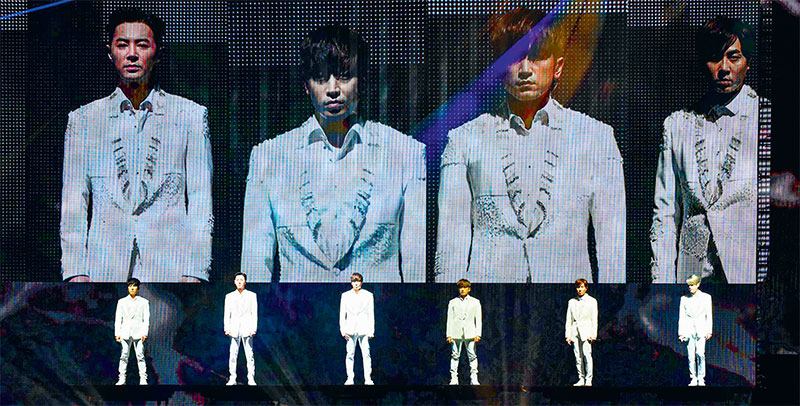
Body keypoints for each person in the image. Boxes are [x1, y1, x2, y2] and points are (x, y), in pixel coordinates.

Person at [435, 7, 625, 283]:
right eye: (513, 58)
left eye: (537, 57)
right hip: (490, 298)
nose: (525, 70)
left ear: (558, 67)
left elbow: (612, 250)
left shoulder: (596, 138)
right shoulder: (465, 140)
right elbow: (450, 249)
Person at [241, 25, 426, 282]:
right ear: (306, 85)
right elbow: (254, 268)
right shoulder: (268, 158)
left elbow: (416, 267)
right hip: (297, 307)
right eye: (320, 78)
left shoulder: (405, 153)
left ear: (362, 80)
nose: (333, 89)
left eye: (344, 76)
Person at [59, 7, 213, 283]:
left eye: (141, 45)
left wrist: (196, 272)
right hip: (103, 268)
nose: (132, 54)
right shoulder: (84, 120)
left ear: (157, 52)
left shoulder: (190, 116)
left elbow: (201, 199)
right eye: (122, 45)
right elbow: (74, 200)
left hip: (170, 268)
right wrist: (75, 272)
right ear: (110, 53)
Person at [651, 16, 761, 284]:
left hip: (747, 276)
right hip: (692, 275)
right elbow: (665, 214)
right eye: (714, 58)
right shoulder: (677, 124)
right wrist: (663, 282)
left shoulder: (765, 117)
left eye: (733, 57)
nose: (724, 68)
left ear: (747, 62)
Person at [339, 273, 375, 385]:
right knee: (350, 354)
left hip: (364, 328)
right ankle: (350, 378)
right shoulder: (345, 295)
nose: (356, 284)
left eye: (358, 281)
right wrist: (343, 330)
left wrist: (371, 330)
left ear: (361, 282)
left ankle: (368, 378)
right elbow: (342, 314)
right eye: (354, 281)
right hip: (350, 328)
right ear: (351, 283)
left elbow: (371, 314)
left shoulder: (368, 295)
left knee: (366, 354)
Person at [678, 274, 713, 386]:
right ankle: (693, 377)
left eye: (692, 285)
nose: (690, 287)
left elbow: (709, 315)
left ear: (698, 284)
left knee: (700, 353)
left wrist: (709, 330)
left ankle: (701, 378)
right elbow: (682, 316)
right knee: (691, 356)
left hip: (701, 329)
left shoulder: (706, 297)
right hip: (689, 330)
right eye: (689, 285)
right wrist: (681, 333)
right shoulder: (684, 299)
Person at [446, 279, 482, 385]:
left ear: (469, 289)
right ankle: (453, 378)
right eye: (461, 287)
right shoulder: (453, 302)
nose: (462, 289)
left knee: (472, 355)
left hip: (470, 332)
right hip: (456, 332)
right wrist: (449, 334)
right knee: (455, 355)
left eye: (465, 287)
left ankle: (474, 378)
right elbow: (450, 319)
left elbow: (478, 319)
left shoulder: (475, 302)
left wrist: (478, 333)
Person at [224, 272, 258, 386]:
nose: (239, 282)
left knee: (249, 355)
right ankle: (232, 378)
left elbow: (254, 313)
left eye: (241, 280)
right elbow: (227, 314)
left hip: (247, 328)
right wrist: (227, 328)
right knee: (233, 355)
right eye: (237, 280)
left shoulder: (251, 295)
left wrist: (253, 328)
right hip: (234, 328)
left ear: (245, 282)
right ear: (234, 282)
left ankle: (251, 378)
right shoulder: (229, 296)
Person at [115, 278, 150, 385]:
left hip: (138, 332)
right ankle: (121, 378)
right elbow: (118, 318)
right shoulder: (121, 302)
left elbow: (146, 319)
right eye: (130, 286)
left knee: (140, 355)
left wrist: (145, 333)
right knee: (124, 355)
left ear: (138, 288)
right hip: (125, 332)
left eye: (134, 286)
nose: (132, 288)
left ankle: (143, 378)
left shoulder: (144, 302)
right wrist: (117, 333)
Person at [565, 278, 598, 386]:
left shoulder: (592, 301)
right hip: (575, 332)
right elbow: (569, 320)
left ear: (586, 288)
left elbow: (594, 319)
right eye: (578, 287)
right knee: (578, 357)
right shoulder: (571, 302)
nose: (580, 289)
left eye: (582, 287)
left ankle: (589, 379)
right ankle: (581, 378)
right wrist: (568, 335)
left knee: (587, 355)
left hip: (587, 331)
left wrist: (593, 334)